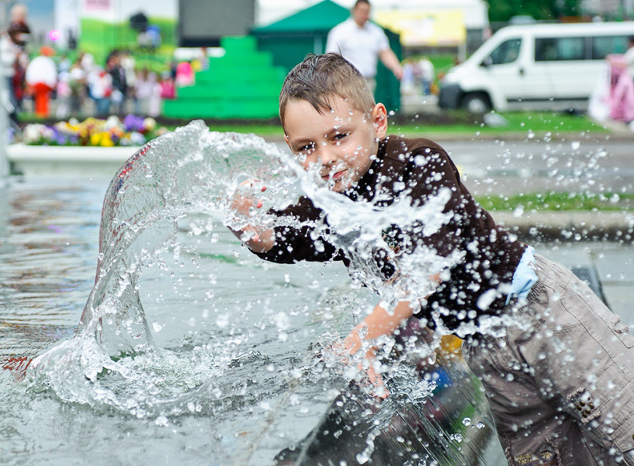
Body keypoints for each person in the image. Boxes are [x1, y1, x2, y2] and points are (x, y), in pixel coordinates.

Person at [230, 53, 634, 465]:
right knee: (547, 457)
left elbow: (427, 270)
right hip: (488, 353)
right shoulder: (330, 203)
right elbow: (282, 241)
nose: (326, 158)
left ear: (378, 122)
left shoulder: (419, 164)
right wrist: (245, 221)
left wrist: (362, 338)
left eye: (339, 137)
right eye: (307, 148)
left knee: (626, 427)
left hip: (545, 315)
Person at [325, 0, 403, 94]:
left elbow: (385, 52)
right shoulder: (339, 31)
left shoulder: (376, 31)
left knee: (367, 108)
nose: (365, 14)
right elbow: (331, 57)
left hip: (368, 81)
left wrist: (396, 66)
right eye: (362, 11)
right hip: (346, 81)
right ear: (354, 10)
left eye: (367, 11)